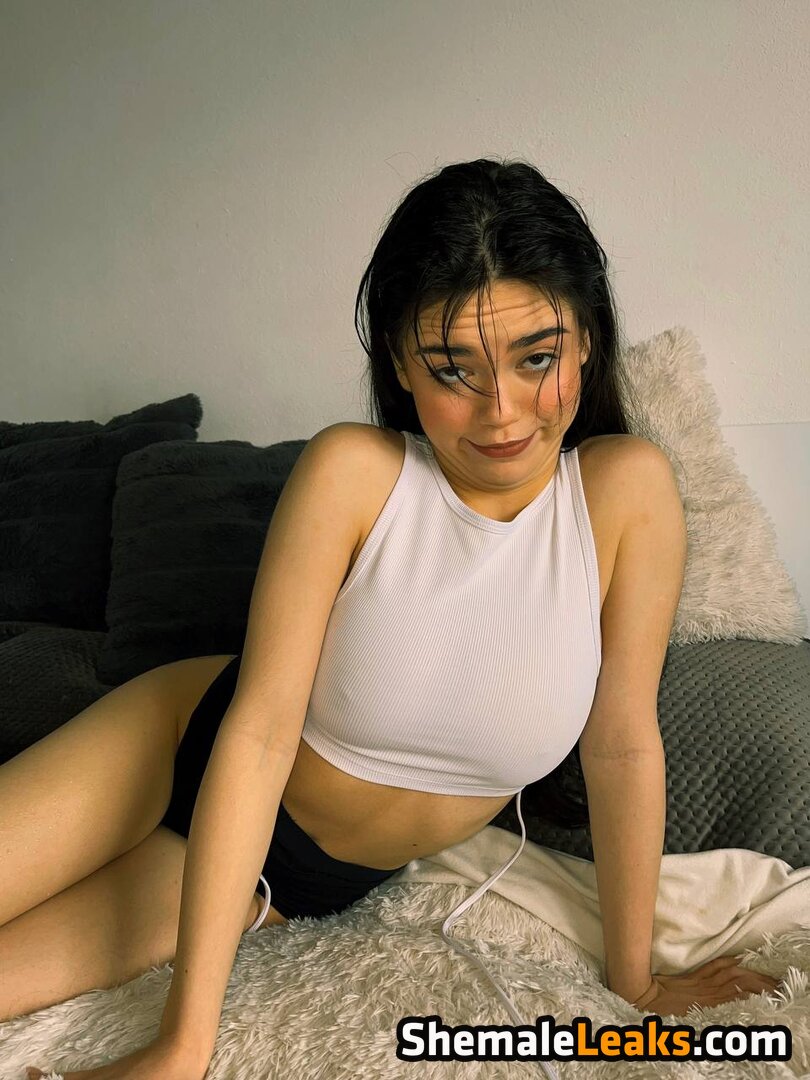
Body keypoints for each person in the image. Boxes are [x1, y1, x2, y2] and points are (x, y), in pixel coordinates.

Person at [10, 158, 778, 1080]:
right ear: (401, 364)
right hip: (181, 738)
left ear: (584, 343)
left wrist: (636, 984)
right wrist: (184, 1045)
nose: (502, 412)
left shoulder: (627, 494)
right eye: (454, 369)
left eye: (537, 358)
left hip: (300, 876)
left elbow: (621, 744)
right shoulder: (353, 471)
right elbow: (258, 735)